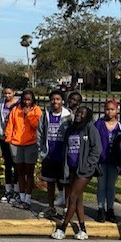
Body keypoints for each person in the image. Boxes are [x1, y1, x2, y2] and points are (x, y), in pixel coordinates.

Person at [51, 106, 101, 240]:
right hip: (72, 169)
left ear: (88, 116)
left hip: (84, 170)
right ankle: (82, 229)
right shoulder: (71, 129)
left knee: (72, 198)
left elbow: (97, 148)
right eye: (78, 112)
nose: (79, 115)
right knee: (78, 200)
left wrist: (88, 164)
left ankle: (62, 228)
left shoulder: (90, 128)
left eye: (82, 113)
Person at [5, 89, 42, 210]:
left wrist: (29, 114)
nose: (26, 102)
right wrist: (9, 139)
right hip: (16, 143)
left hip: (31, 144)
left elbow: (37, 126)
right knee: (19, 171)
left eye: (29, 100)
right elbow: (10, 124)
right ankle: (21, 197)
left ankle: (28, 198)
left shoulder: (37, 110)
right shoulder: (16, 110)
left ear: (32, 100)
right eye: (25, 99)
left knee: (29, 172)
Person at [38, 90, 72, 218]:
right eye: (53, 99)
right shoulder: (46, 114)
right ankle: (51, 207)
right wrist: (41, 150)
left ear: (62, 101)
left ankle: (67, 208)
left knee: (66, 183)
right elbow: (40, 132)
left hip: (63, 156)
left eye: (58, 99)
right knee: (50, 183)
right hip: (49, 154)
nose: (55, 101)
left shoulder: (68, 116)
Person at [94, 99, 121, 223]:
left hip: (114, 160)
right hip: (101, 159)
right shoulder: (99, 124)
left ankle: (110, 209)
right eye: (107, 109)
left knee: (111, 186)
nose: (110, 111)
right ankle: (100, 209)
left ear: (116, 110)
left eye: (112, 109)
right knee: (101, 185)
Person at [0, 87, 20, 203]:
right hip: (4, 136)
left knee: (16, 165)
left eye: (9, 93)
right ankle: (7, 190)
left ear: (14, 93)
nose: (7, 95)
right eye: (5, 93)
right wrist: (2, 133)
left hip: (15, 138)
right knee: (7, 164)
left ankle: (16, 191)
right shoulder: (1, 103)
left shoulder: (18, 103)